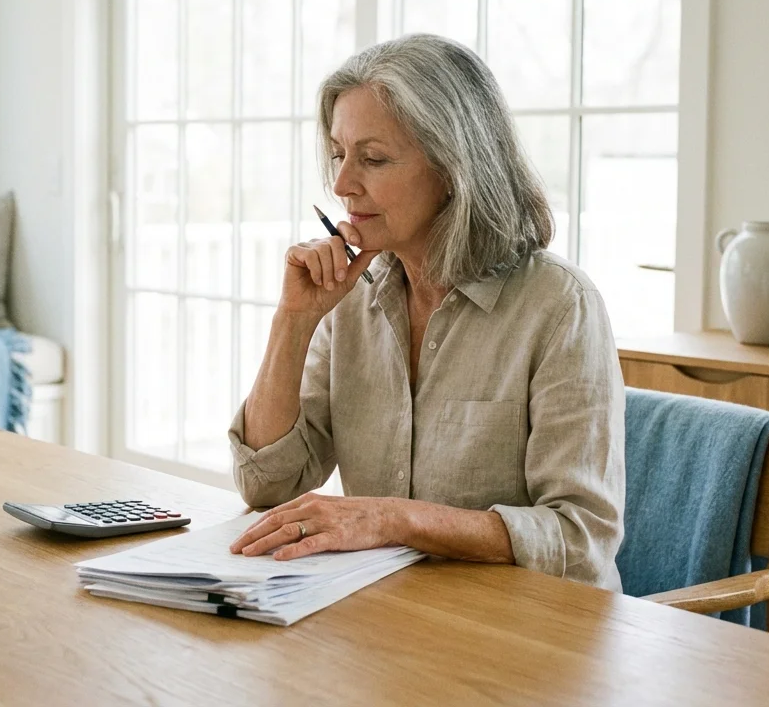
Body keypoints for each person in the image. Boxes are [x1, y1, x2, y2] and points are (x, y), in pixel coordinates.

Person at [226, 34, 625, 589]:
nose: (342, 184)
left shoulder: (560, 308)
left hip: (533, 634)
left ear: (454, 167)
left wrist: (392, 520)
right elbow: (266, 483)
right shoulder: (350, 300)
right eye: (339, 155)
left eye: (373, 159)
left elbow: (581, 539)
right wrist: (293, 320)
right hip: (398, 614)